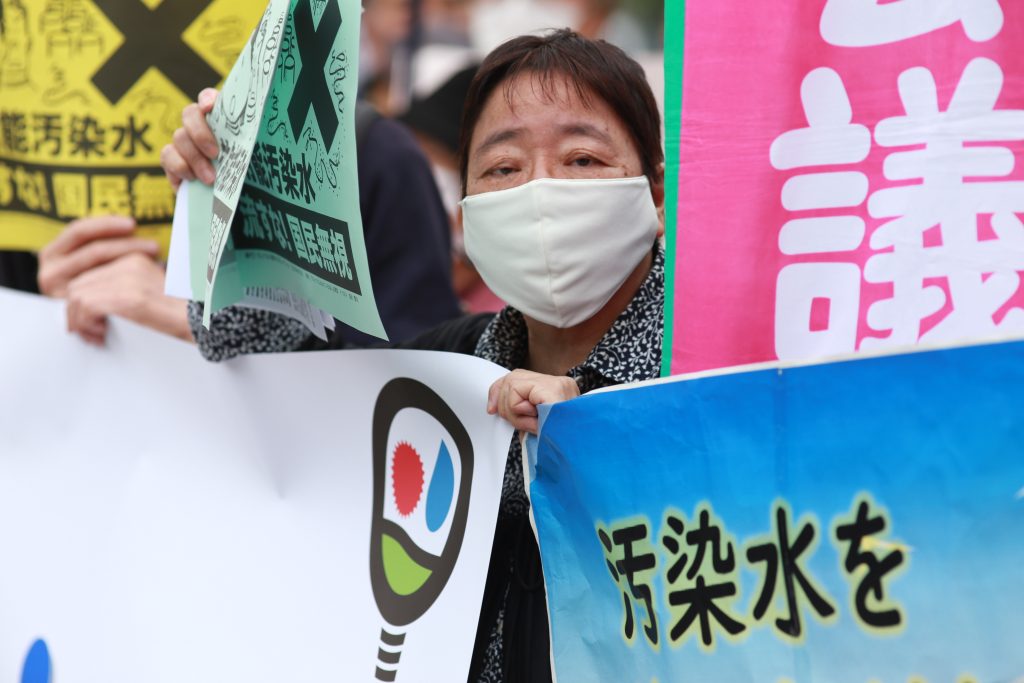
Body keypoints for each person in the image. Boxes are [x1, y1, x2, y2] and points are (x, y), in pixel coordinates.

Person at [164, 29, 664, 682]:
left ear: (655, 190)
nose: (541, 193)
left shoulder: (713, 378)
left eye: (583, 160)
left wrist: (600, 447)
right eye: (503, 168)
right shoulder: (439, 374)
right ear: (464, 210)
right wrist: (232, 193)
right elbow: (256, 377)